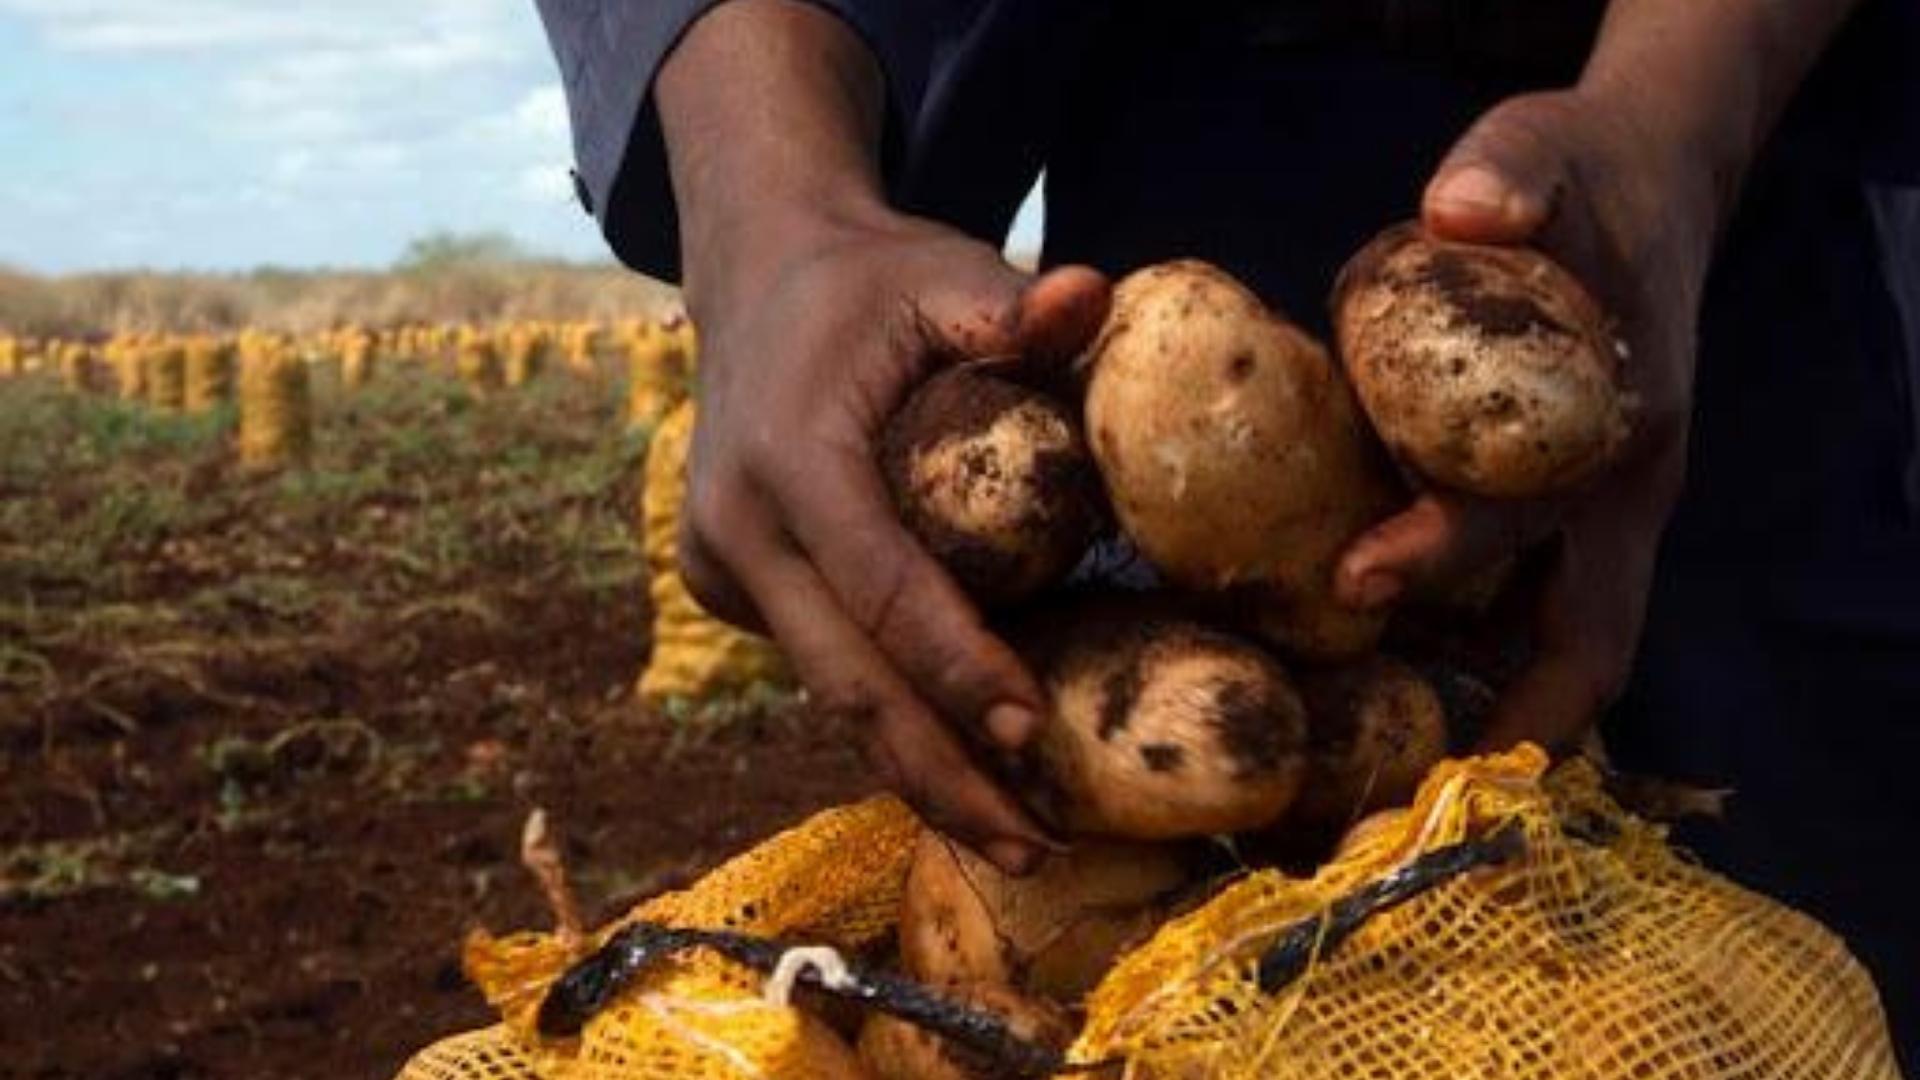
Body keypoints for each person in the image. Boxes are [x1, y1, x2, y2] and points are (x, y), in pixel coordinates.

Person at [534, 0, 1919, 1062]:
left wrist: (1686, 112)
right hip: (1194, 124)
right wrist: (772, 208)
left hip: (1709, 198)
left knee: (1760, 911)